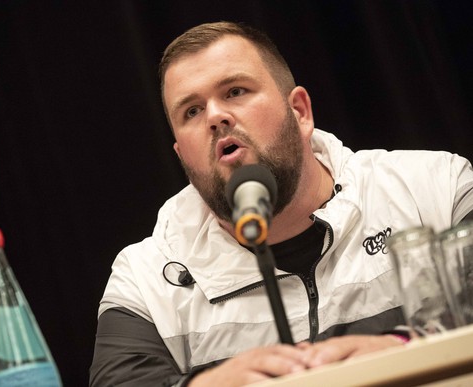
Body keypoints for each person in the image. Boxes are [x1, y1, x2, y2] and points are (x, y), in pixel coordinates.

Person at [90, 21, 473, 387]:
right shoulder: (144, 278)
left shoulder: (436, 188)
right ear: (181, 155)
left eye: (235, 91)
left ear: (300, 112)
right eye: (191, 111)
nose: (215, 116)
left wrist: (403, 352)